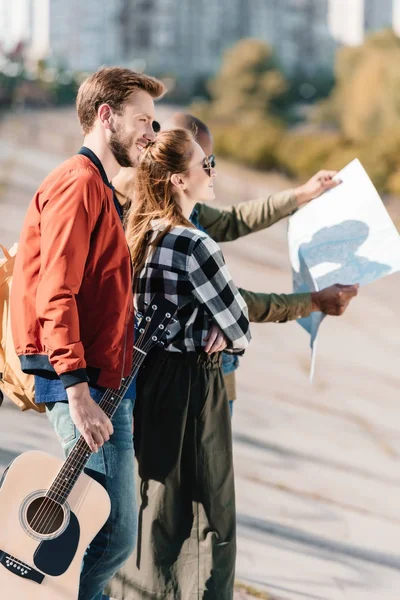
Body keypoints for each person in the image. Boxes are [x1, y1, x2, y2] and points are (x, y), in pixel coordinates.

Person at [11, 67, 165, 600]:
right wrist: (77, 391)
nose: (152, 131)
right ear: (107, 116)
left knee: (108, 531)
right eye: (143, 119)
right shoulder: (78, 185)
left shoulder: (99, 188)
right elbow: (57, 291)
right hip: (85, 387)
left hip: (103, 384)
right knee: (110, 534)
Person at [113, 113, 359, 414]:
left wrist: (302, 194)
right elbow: (237, 309)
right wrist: (313, 302)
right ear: (175, 170)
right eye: (205, 163)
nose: (213, 171)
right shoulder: (178, 237)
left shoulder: (173, 214)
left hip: (206, 375)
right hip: (187, 384)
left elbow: (235, 220)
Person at [125, 128, 251, 598]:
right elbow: (239, 328)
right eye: (205, 165)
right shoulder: (195, 244)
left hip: (147, 377)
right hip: (195, 385)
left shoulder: (140, 232)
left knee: (152, 502)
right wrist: (224, 334)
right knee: (207, 514)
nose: (211, 171)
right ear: (180, 180)